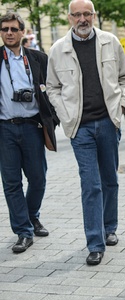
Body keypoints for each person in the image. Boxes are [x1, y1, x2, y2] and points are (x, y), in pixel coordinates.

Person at [47, 0, 125, 266]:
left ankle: (110, 228)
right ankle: (94, 243)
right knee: (90, 184)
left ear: (94, 16)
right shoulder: (58, 50)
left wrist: (121, 106)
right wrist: (65, 114)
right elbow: (52, 88)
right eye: (77, 15)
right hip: (79, 127)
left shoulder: (110, 42)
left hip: (108, 122)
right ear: (70, 18)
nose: (82, 19)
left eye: (87, 14)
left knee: (109, 179)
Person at [0, 12, 59, 253]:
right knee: (11, 183)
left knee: (38, 178)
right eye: (5, 29)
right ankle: (23, 231)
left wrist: (52, 119)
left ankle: (32, 215)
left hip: (33, 126)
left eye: (14, 29)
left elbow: (54, 89)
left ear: (23, 32)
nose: (9, 33)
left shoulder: (38, 58)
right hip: (4, 128)